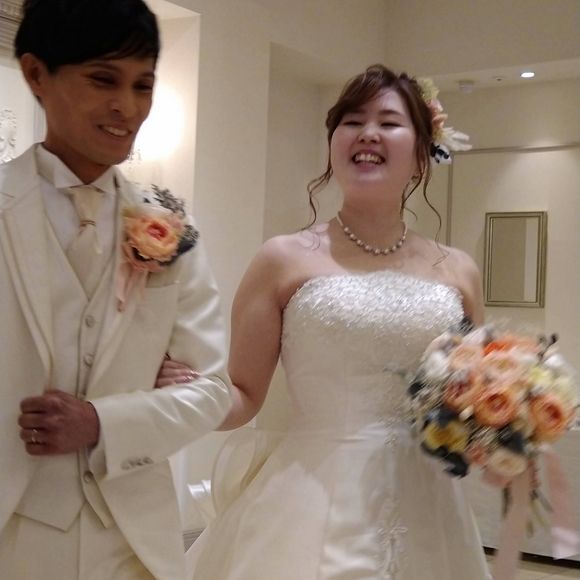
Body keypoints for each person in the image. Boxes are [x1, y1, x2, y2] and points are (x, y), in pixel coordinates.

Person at [160, 64, 489, 579]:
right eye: (352, 121)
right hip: (313, 499)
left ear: (422, 153)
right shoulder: (282, 259)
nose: (369, 133)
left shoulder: (459, 270)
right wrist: (187, 394)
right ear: (334, 143)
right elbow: (244, 395)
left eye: (389, 122)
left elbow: (473, 400)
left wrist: (508, 422)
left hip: (430, 508)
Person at [0, 1, 232, 578]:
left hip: (133, 544)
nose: (127, 107)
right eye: (103, 80)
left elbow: (211, 392)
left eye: (143, 85)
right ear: (36, 74)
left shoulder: (170, 226)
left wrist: (102, 421)